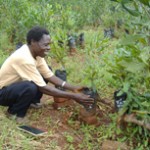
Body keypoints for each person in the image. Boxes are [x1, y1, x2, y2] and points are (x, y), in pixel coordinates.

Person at [0, 26, 94, 123]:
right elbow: (43, 88)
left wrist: (73, 88)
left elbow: (49, 76)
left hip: (15, 87)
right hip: (2, 93)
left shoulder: (35, 53)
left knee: (45, 71)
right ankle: (14, 113)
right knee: (30, 87)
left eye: (49, 44)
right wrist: (74, 96)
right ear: (33, 42)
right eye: (45, 45)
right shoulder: (24, 58)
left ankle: (31, 101)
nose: (48, 48)